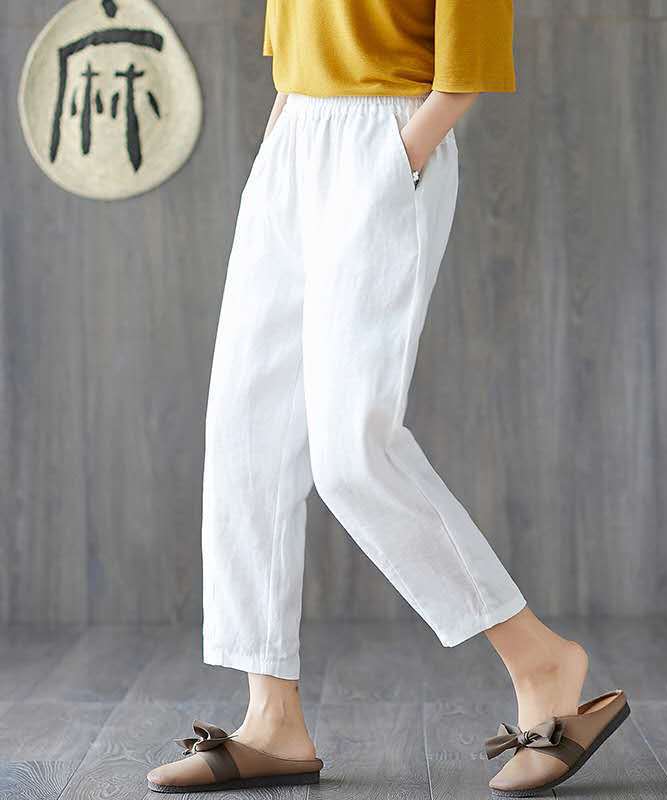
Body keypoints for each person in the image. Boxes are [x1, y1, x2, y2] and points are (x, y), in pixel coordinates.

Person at [146, 1, 628, 795]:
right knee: (246, 436)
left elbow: (468, 60)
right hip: (294, 135)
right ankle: (272, 719)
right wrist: (281, 138)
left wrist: (400, 155)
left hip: (388, 134)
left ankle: (541, 660)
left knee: (352, 452)